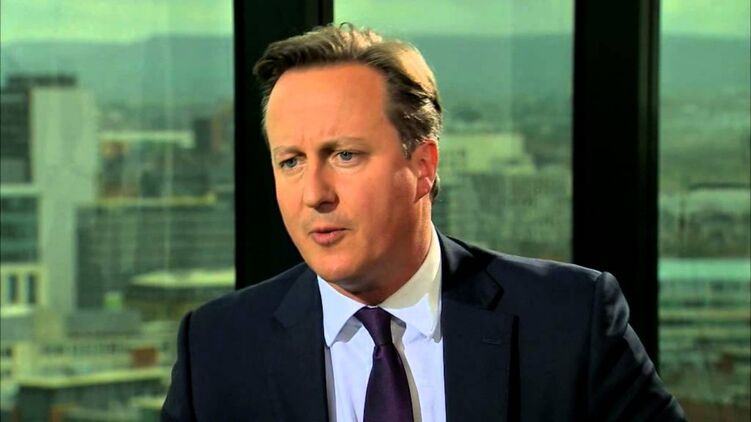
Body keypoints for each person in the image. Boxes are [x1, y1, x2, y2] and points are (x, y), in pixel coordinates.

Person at [162, 24, 685, 421]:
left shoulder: (569, 323)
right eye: (291, 162)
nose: (315, 194)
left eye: (345, 155)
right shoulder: (217, 349)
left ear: (422, 166)